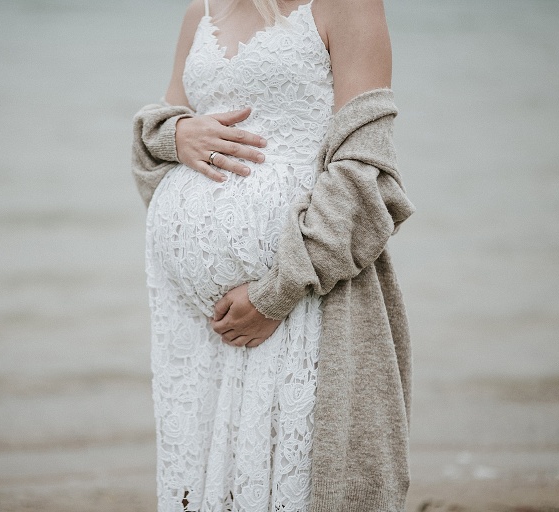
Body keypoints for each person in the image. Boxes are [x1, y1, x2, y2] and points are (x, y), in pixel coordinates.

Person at [131, 0, 415, 510]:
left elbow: (365, 168)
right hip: (199, 328)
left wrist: (273, 293)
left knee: (298, 475)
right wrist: (177, 134)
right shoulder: (201, 10)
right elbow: (164, 131)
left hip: (301, 300)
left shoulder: (347, 6)